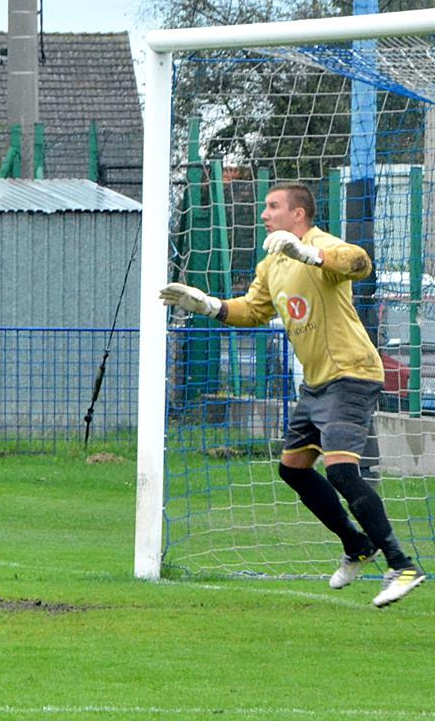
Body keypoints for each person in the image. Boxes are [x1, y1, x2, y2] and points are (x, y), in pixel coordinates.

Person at [160, 180, 426, 607]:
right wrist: (209, 306)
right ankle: (357, 545)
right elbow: (253, 309)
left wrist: (308, 254)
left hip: (351, 374)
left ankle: (402, 565)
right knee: (294, 469)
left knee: (342, 472)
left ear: (298, 214)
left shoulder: (322, 246)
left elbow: (359, 262)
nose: (264, 214)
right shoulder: (271, 264)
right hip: (316, 384)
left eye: (273, 206)